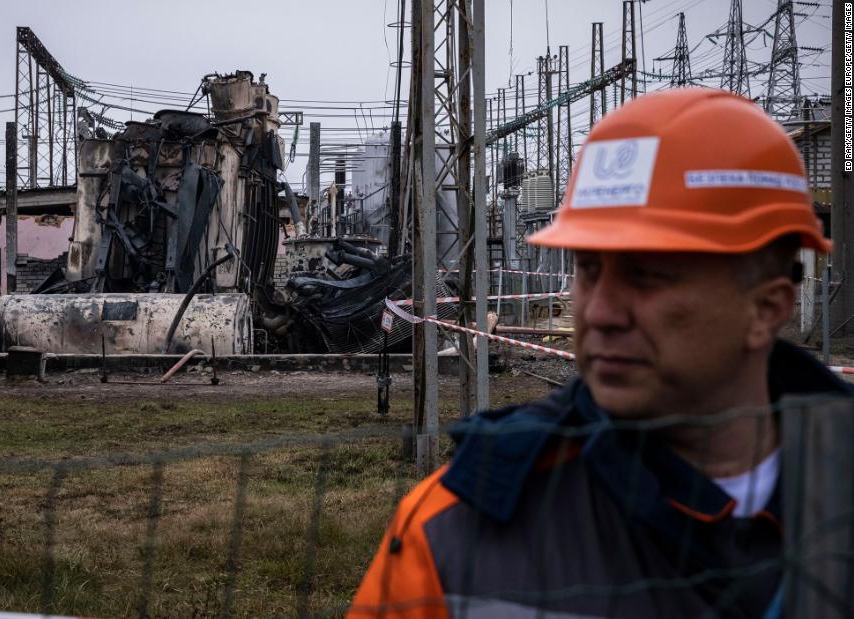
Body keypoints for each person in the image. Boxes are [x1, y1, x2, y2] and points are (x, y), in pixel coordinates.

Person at [349, 88, 852, 618]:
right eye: (589, 268)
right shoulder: (456, 531)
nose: (601, 312)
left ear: (766, 307)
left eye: (650, 276)